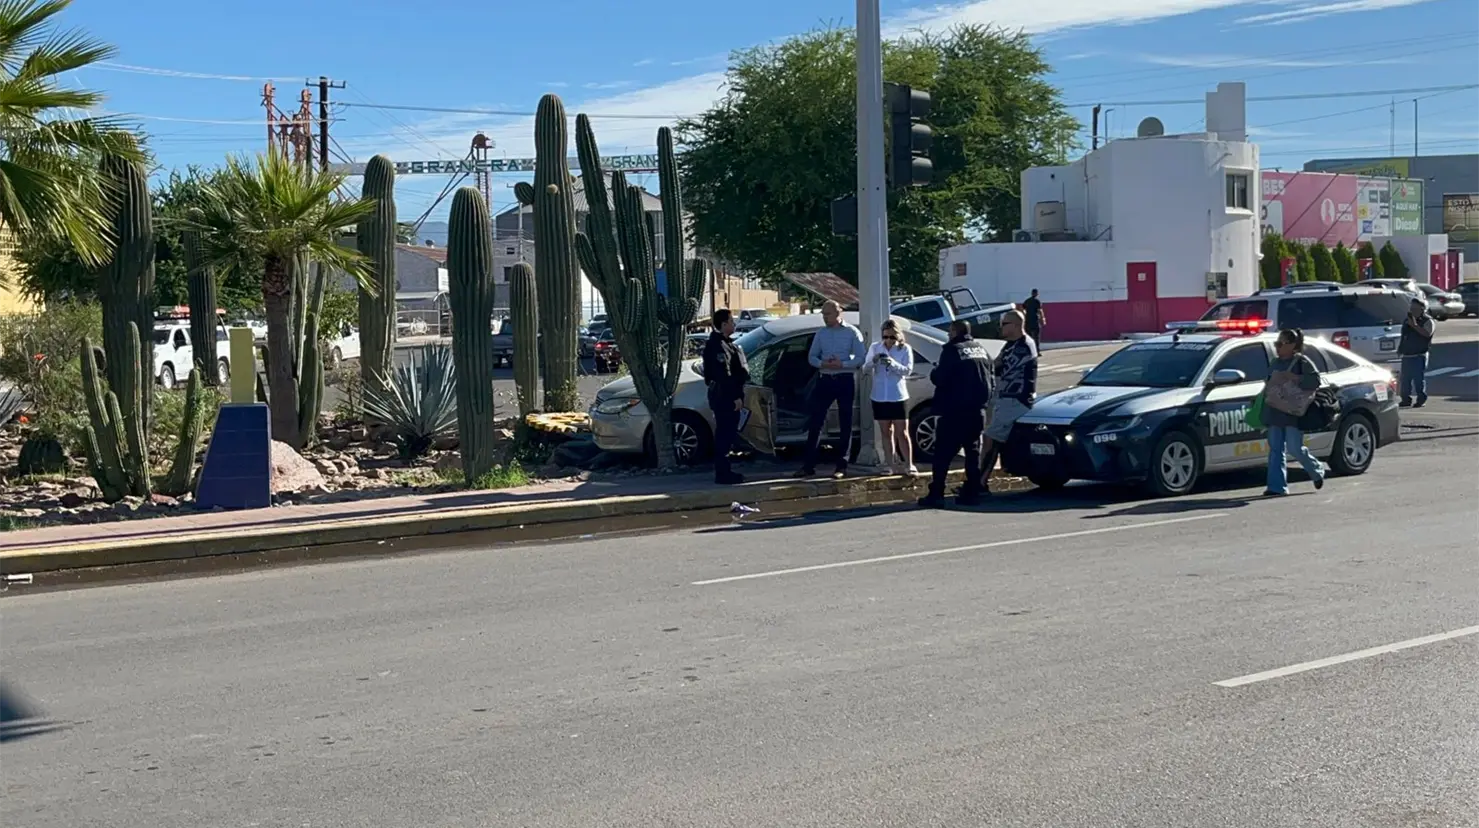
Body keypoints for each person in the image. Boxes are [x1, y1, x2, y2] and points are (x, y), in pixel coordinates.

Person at [920, 319, 994, 508]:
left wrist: (934, 371)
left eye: (950, 331)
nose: (948, 335)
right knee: (972, 453)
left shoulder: (952, 350)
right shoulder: (981, 349)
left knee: (942, 454)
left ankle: (936, 493)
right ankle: (972, 492)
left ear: (955, 332)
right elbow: (991, 378)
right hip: (978, 410)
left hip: (955, 411)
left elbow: (940, 377)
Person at [796, 300, 866, 479]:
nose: (825, 318)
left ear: (838, 313)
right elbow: (812, 356)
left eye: (827, 314)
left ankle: (841, 466)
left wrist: (842, 364)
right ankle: (808, 465)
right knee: (816, 421)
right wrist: (822, 363)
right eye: (823, 315)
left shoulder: (852, 332)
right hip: (825, 378)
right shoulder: (822, 333)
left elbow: (860, 358)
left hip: (844, 379)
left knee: (845, 422)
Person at [979, 309, 1037, 494]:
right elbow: (995, 364)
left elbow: (1001, 368)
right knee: (991, 439)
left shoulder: (1024, 346)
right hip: (1004, 399)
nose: (1001, 327)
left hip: (1016, 400)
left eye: (1005, 324)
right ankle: (981, 480)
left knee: (990, 438)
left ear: (1017, 325)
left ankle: (979, 482)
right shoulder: (1010, 345)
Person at [1263, 328, 1326, 496]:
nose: (1277, 347)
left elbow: (1315, 381)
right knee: (1275, 450)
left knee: (1295, 448)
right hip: (1275, 412)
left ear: (1292, 345)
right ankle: (1276, 487)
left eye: (1280, 344)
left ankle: (1317, 470)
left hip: (1293, 413)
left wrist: (1295, 378)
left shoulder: (1302, 362)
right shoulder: (1275, 363)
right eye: (1276, 343)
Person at [863, 319, 916, 475]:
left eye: (892, 337)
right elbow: (865, 369)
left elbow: (908, 370)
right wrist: (873, 361)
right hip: (879, 396)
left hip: (898, 395)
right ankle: (889, 464)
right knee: (886, 432)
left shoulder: (905, 349)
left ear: (898, 336)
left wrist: (891, 363)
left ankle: (909, 464)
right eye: (885, 337)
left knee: (902, 432)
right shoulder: (875, 347)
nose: (888, 341)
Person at [702, 308, 748, 485]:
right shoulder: (717, 346)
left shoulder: (727, 343)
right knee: (724, 434)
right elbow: (724, 375)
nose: (734, 324)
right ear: (723, 324)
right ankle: (723, 473)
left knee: (727, 434)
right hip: (724, 396)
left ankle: (725, 470)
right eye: (731, 321)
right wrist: (735, 397)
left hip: (725, 395)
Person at [1398, 296, 1435, 408]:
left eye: (1415, 309)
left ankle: (1421, 399)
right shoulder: (1407, 320)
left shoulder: (1428, 321)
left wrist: (1414, 325)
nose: (1413, 311)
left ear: (1422, 309)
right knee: (1405, 379)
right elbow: (1404, 335)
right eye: (1411, 308)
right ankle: (1405, 399)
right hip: (1407, 354)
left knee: (1418, 379)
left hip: (1420, 355)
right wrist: (1400, 348)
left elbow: (1427, 334)